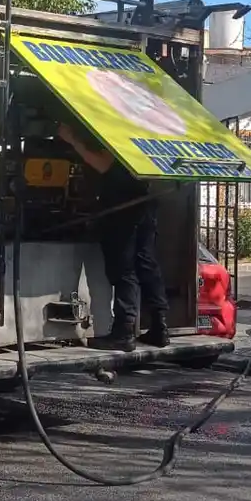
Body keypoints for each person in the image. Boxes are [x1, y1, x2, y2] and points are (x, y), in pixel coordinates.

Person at [56, 120, 168, 351]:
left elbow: (103, 163)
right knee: (147, 266)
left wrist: (72, 140)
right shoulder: (140, 127)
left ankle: (124, 333)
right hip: (144, 204)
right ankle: (160, 326)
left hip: (124, 208)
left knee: (125, 270)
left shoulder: (116, 125)